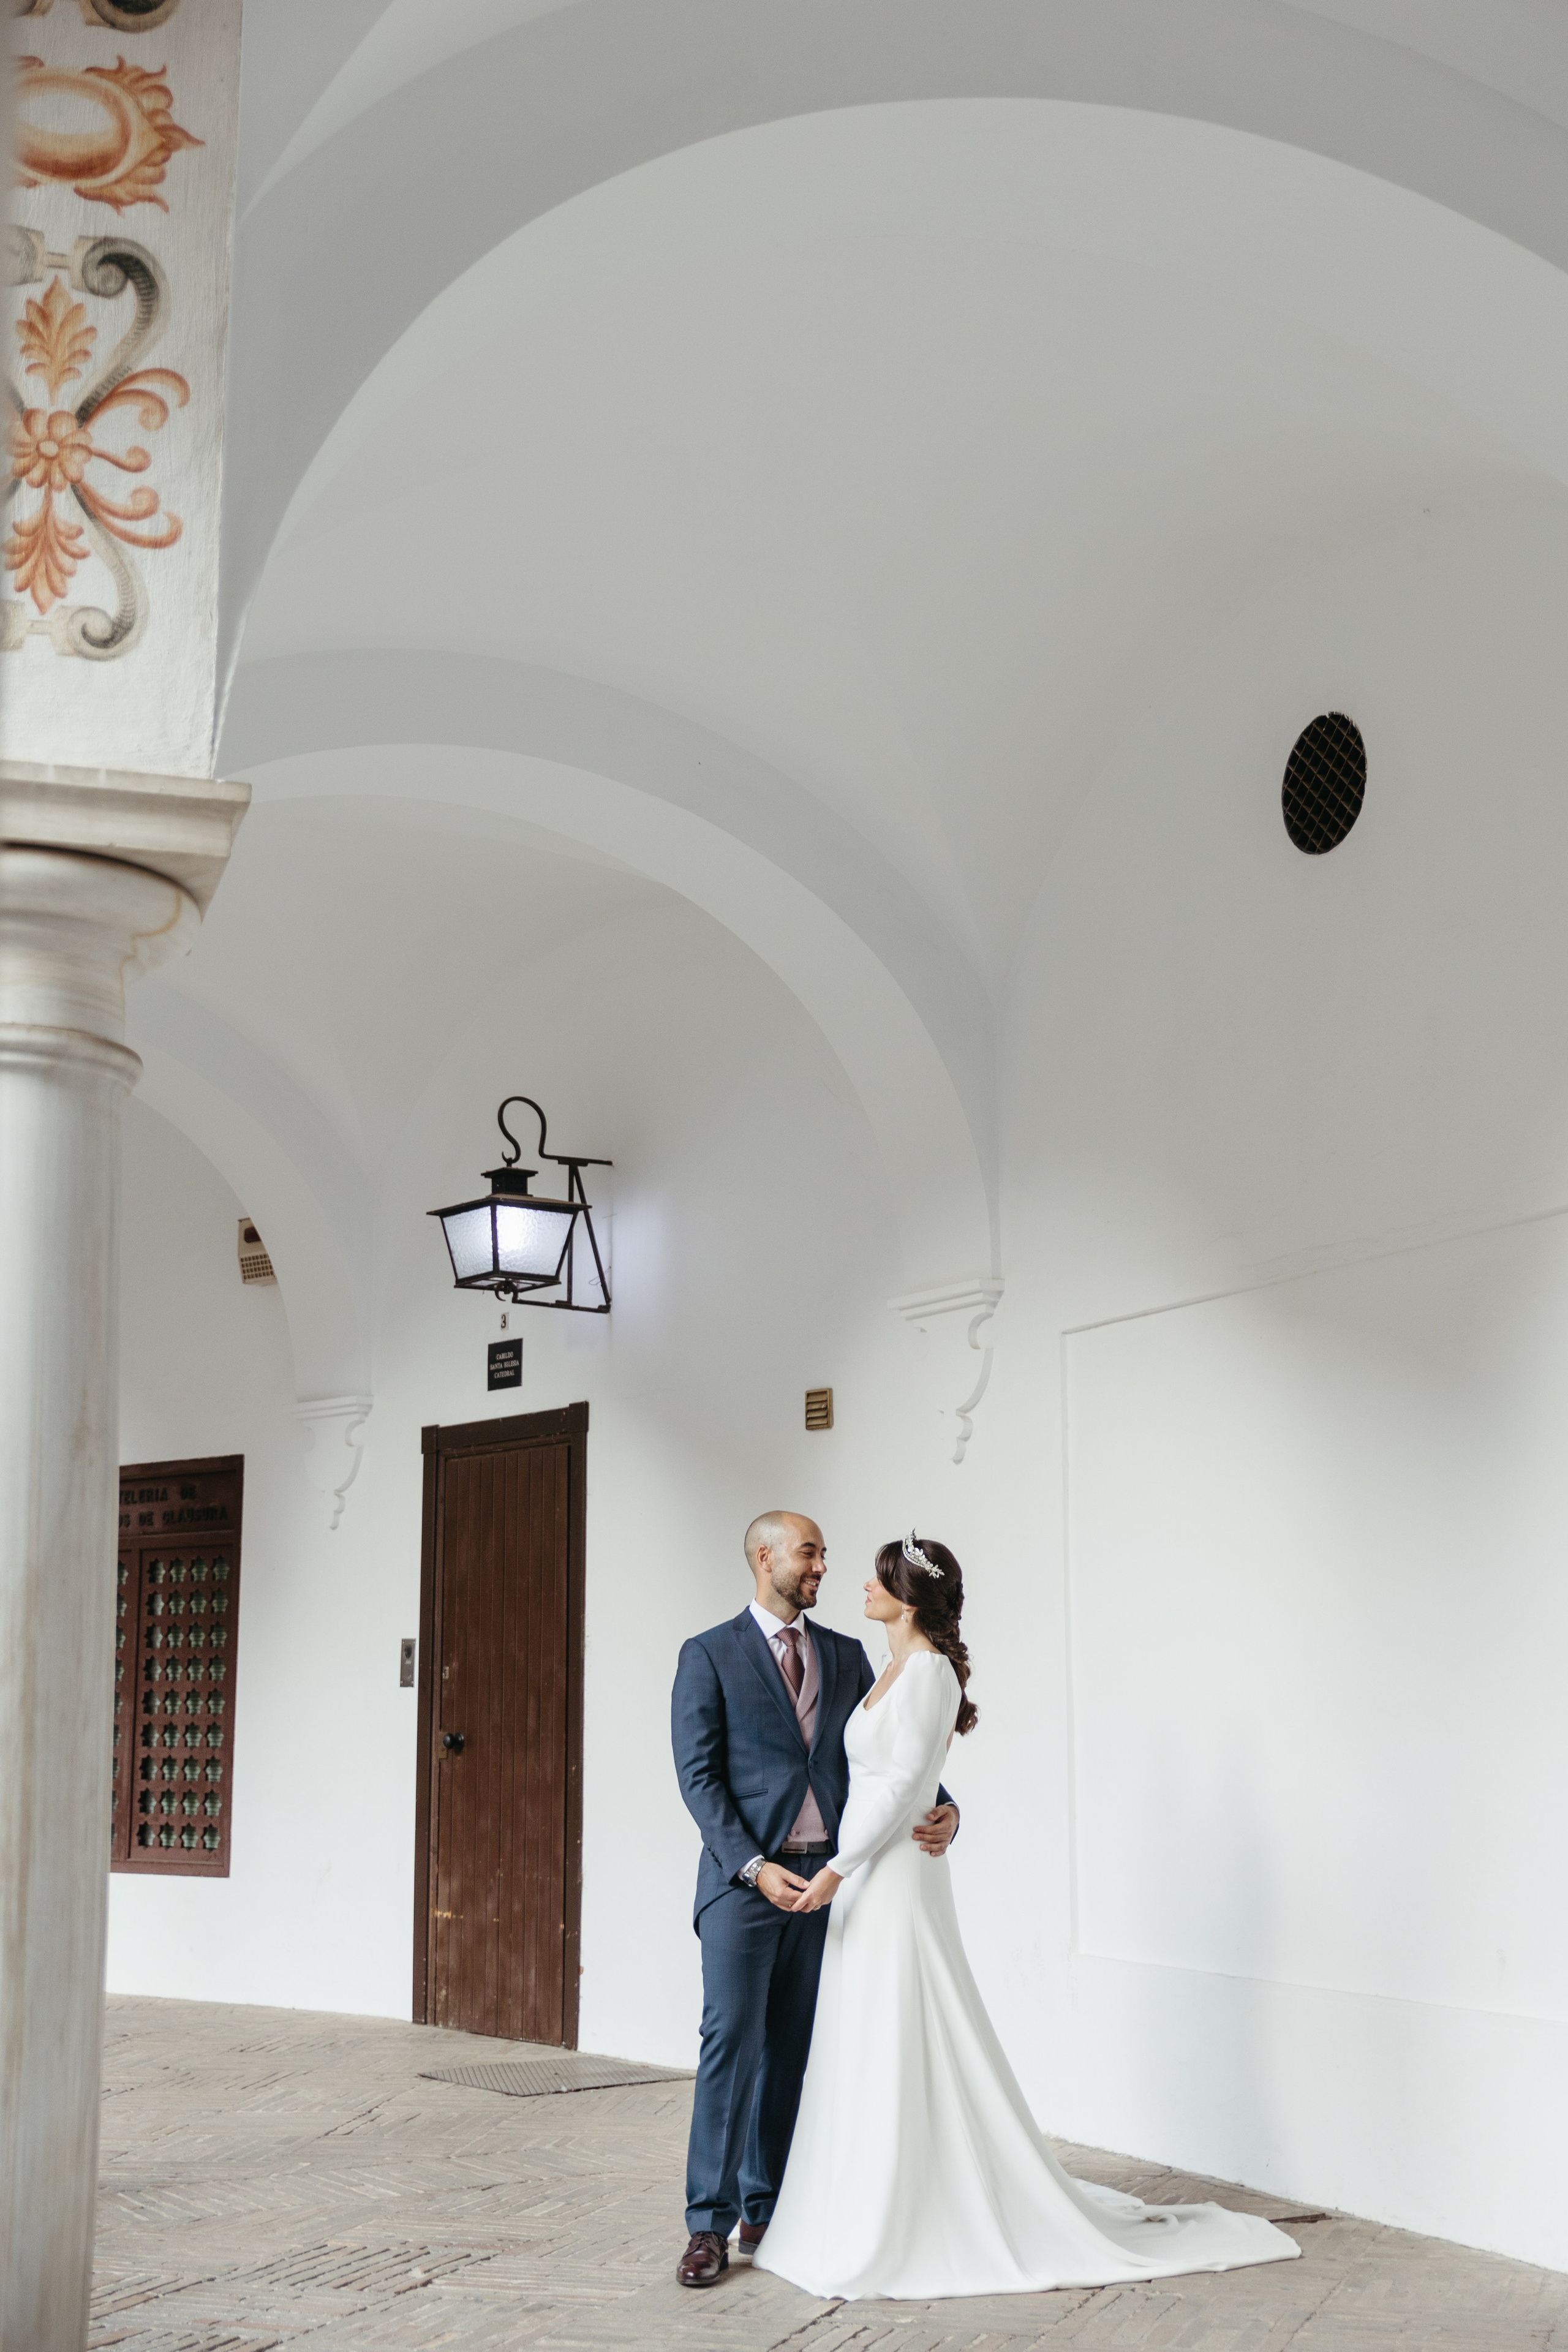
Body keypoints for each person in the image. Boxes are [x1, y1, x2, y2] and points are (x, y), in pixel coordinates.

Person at [756, 1532, 1302, 2301]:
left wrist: (839, 1872)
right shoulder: (890, 1670)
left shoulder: (931, 1674)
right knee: (866, 2026)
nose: (864, 1589)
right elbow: (883, 1780)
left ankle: (905, 2207)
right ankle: (855, 2199)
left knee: (900, 2019)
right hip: (870, 1878)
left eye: (879, 1580)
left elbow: (907, 1781)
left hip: (892, 1877)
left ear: (909, 1598)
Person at [669, 1510, 960, 2289]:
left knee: (794, 2050)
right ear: (764, 1557)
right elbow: (698, 1781)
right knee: (731, 2044)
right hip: (746, 1887)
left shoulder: (844, 1653)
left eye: (826, 1555)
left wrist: (949, 1805)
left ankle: (768, 2208)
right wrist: (753, 1868)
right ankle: (709, 2225)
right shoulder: (708, 1655)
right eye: (810, 1553)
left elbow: (891, 1754)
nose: (823, 1567)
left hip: (835, 1886)